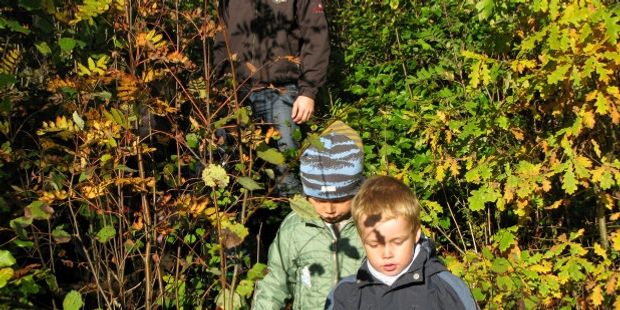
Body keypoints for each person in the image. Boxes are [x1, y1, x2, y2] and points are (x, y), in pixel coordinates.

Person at [213, 0, 330, 196]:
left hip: (281, 90)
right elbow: (220, 39)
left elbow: (316, 37)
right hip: (234, 92)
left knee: (284, 164)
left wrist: (308, 91)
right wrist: (217, 90)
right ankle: (242, 221)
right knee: (227, 161)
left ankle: (296, 222)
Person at [252, 121, 366, 310]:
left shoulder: (372, 223)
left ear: (357, 191)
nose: (329, 209)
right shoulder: (295, 227)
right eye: (319, 200)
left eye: (339, 200)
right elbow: (273, 284)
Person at [325, 176, 479, 310]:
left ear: (416, 233)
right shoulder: (345, 296)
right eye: (374, 244)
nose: (387, 254)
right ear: (361, 240)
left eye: (397, 242)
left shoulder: (445, 289)